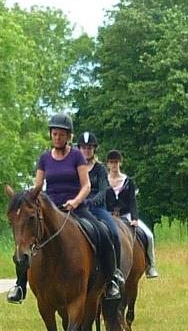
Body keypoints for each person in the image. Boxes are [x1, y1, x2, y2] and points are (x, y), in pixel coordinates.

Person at [6, 117, 122, 304]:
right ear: (50, 135)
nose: (57, 138)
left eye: (61, 134)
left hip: (76, 208)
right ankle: (20, 285)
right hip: (51, 209)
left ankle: (110, 281)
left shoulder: (76, 156)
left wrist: (75, 201)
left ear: (68, 136)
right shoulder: (44, 158)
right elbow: (37, 187)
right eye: (54, 134)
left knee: (102, 232)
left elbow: (86, 185)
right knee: (24, 240)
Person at [104, 150, 160, 278]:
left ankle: (151, 265)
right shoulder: (104, 181)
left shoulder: (128, 181)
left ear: (120, 163)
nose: (114, 165)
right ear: (107, 164)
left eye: (116, 162)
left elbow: (132, 201)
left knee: (149, 235)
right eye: (112, 162)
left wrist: (134, 218)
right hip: (108, 215)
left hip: (126, 215)